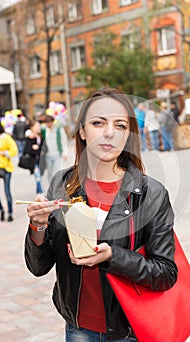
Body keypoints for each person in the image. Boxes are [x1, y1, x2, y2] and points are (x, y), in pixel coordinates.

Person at [24, 87, 178, 342]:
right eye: (98, 122)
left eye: (120, 125)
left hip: (129, 329)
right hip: (79, 327)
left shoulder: (151, 194)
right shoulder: (61, 184)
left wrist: (112, 256)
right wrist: (38, 226)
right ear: (82, 131)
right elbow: (39, 267)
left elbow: (165, 273)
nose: (109, 132)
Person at [22, 120, 47, 196]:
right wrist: (35, 149)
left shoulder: (41, 137)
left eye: (38, 126)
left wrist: (38, 147)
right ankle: (41, 192)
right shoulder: (30, 138)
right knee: (38, 177)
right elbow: (26, 150)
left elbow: (45, 148)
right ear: (32, 128)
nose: (38, 128)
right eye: (36, 126)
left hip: (41, 161)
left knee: (39, 177)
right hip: (33, 161)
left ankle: (38, 192)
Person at [42, 115, 68, 182]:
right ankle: (51, 188)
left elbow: (64, 140)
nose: (48, 124)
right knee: (50, 173)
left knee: (57, 172)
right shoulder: (44, 130)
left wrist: (65, 153)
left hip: (57, 154)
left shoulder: (59, 129)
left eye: (50, 122)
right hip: (48, 155)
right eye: (47, 123)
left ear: (53, 122)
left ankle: (56, 188)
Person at [0, 123, 18, 221]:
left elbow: (14, 151)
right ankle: (1, 210)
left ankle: (10, 213)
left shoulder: (6, 138)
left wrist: (4, 153)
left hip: (6, 168)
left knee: (7, 192)